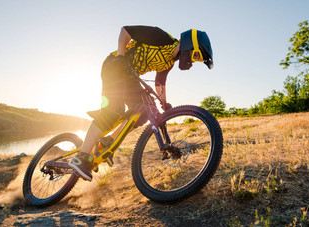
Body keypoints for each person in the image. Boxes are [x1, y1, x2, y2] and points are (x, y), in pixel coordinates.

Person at [69, 25, 214, 181]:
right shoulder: (161, 37)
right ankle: (81, 157)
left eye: (196, 59)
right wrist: (120, 58)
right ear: (190, 45)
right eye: (196, 56)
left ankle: (106, 142)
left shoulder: (169, 62)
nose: (193, 61)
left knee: (143, 112)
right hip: (114, 66)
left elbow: (160, 82)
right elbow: (125, 32)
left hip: (130, 76)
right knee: (113, 111)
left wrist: (163, 103)